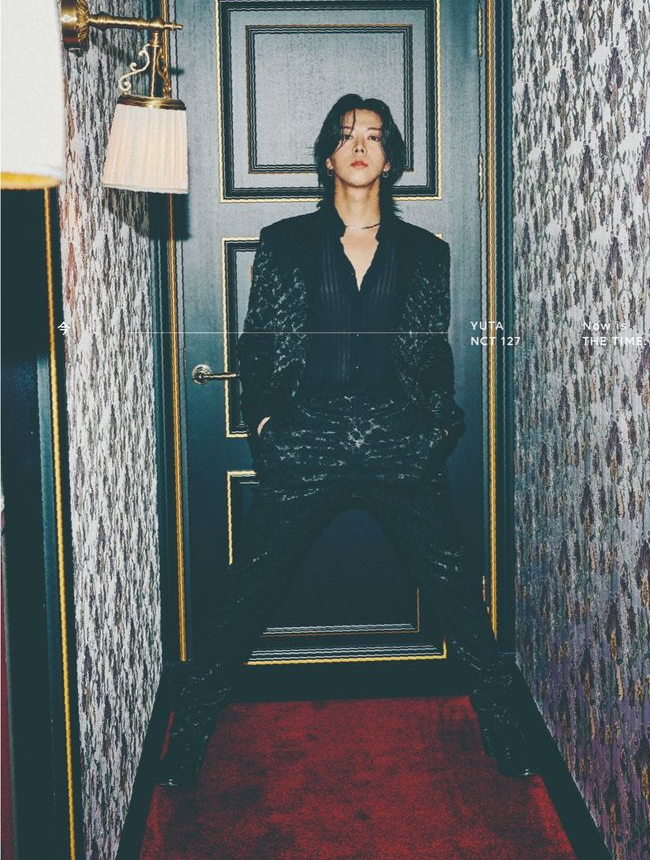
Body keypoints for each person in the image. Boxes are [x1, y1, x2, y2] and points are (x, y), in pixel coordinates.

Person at [157, 94, 536, 787]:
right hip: (307, 441)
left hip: (399, 443)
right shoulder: (285, 243)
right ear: (328, 157)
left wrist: (435, 428)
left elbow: (431, 353)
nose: (360, 146)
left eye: (374, 136)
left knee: (456, 593)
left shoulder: (426, 252)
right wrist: (265, 425)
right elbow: (258, 345)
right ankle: (186, 742)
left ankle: (505, 729)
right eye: (346, 135)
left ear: (390, 160)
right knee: (245, 595)